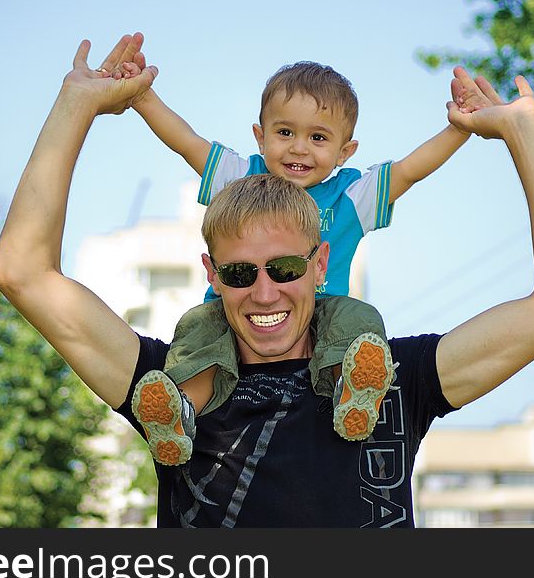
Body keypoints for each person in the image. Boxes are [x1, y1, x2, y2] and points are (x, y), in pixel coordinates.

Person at [0, 32, 534, 527]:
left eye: (285, 268)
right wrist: (77, 101)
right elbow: (20, 271)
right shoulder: (174, 385)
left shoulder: (394, 378)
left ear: (319, 264)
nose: (264, 292)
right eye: (238, 273)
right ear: (211, 274)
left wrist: (524, 131)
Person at [116, 45, 475, 463]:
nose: (299, 148)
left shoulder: (349, 196)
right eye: (285, 133)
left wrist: (459, 130)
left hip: (323, 312)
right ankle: (179, 415)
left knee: (360, 320)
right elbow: (186, 142)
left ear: (345, 152)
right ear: (260, 136)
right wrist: (142, 98)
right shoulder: (239, 176)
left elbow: (410, 170)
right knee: (197, 330)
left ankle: (353, 393)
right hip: (232, 311)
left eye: (318, 137)